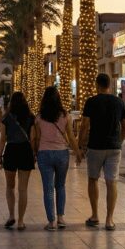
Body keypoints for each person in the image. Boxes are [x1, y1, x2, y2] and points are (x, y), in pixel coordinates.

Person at [78, 73, 125, 231]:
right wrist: (119, 141)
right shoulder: (119, 102)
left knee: (93, 180)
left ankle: (95, 216)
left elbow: (85, 126)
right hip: (114, 147)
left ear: (97, 85)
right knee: (111, 182)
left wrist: (80, 145)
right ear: (109, 86)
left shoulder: (91, 102)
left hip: (96, 147)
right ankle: (109, 220)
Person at [32, 86, 80, 231]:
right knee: (60, 186)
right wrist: (77, 152)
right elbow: (71, 136)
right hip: (61, 153)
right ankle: (61, 218)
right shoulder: (66, 116)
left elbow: (37, 138)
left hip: (44, 153)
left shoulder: (39, 117)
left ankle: (51, 222)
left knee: (48, 188)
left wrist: (35, 153)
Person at [0, 92, 34, 230]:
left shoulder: (6, 117)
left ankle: (11, 215)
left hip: (11, 151)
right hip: (25, 151)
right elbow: (33, 138)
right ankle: (21, 221)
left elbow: (2, 139)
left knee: (10, 186)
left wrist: (0, 156)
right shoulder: (30, 117)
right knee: (23, 189)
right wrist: (34, 153)